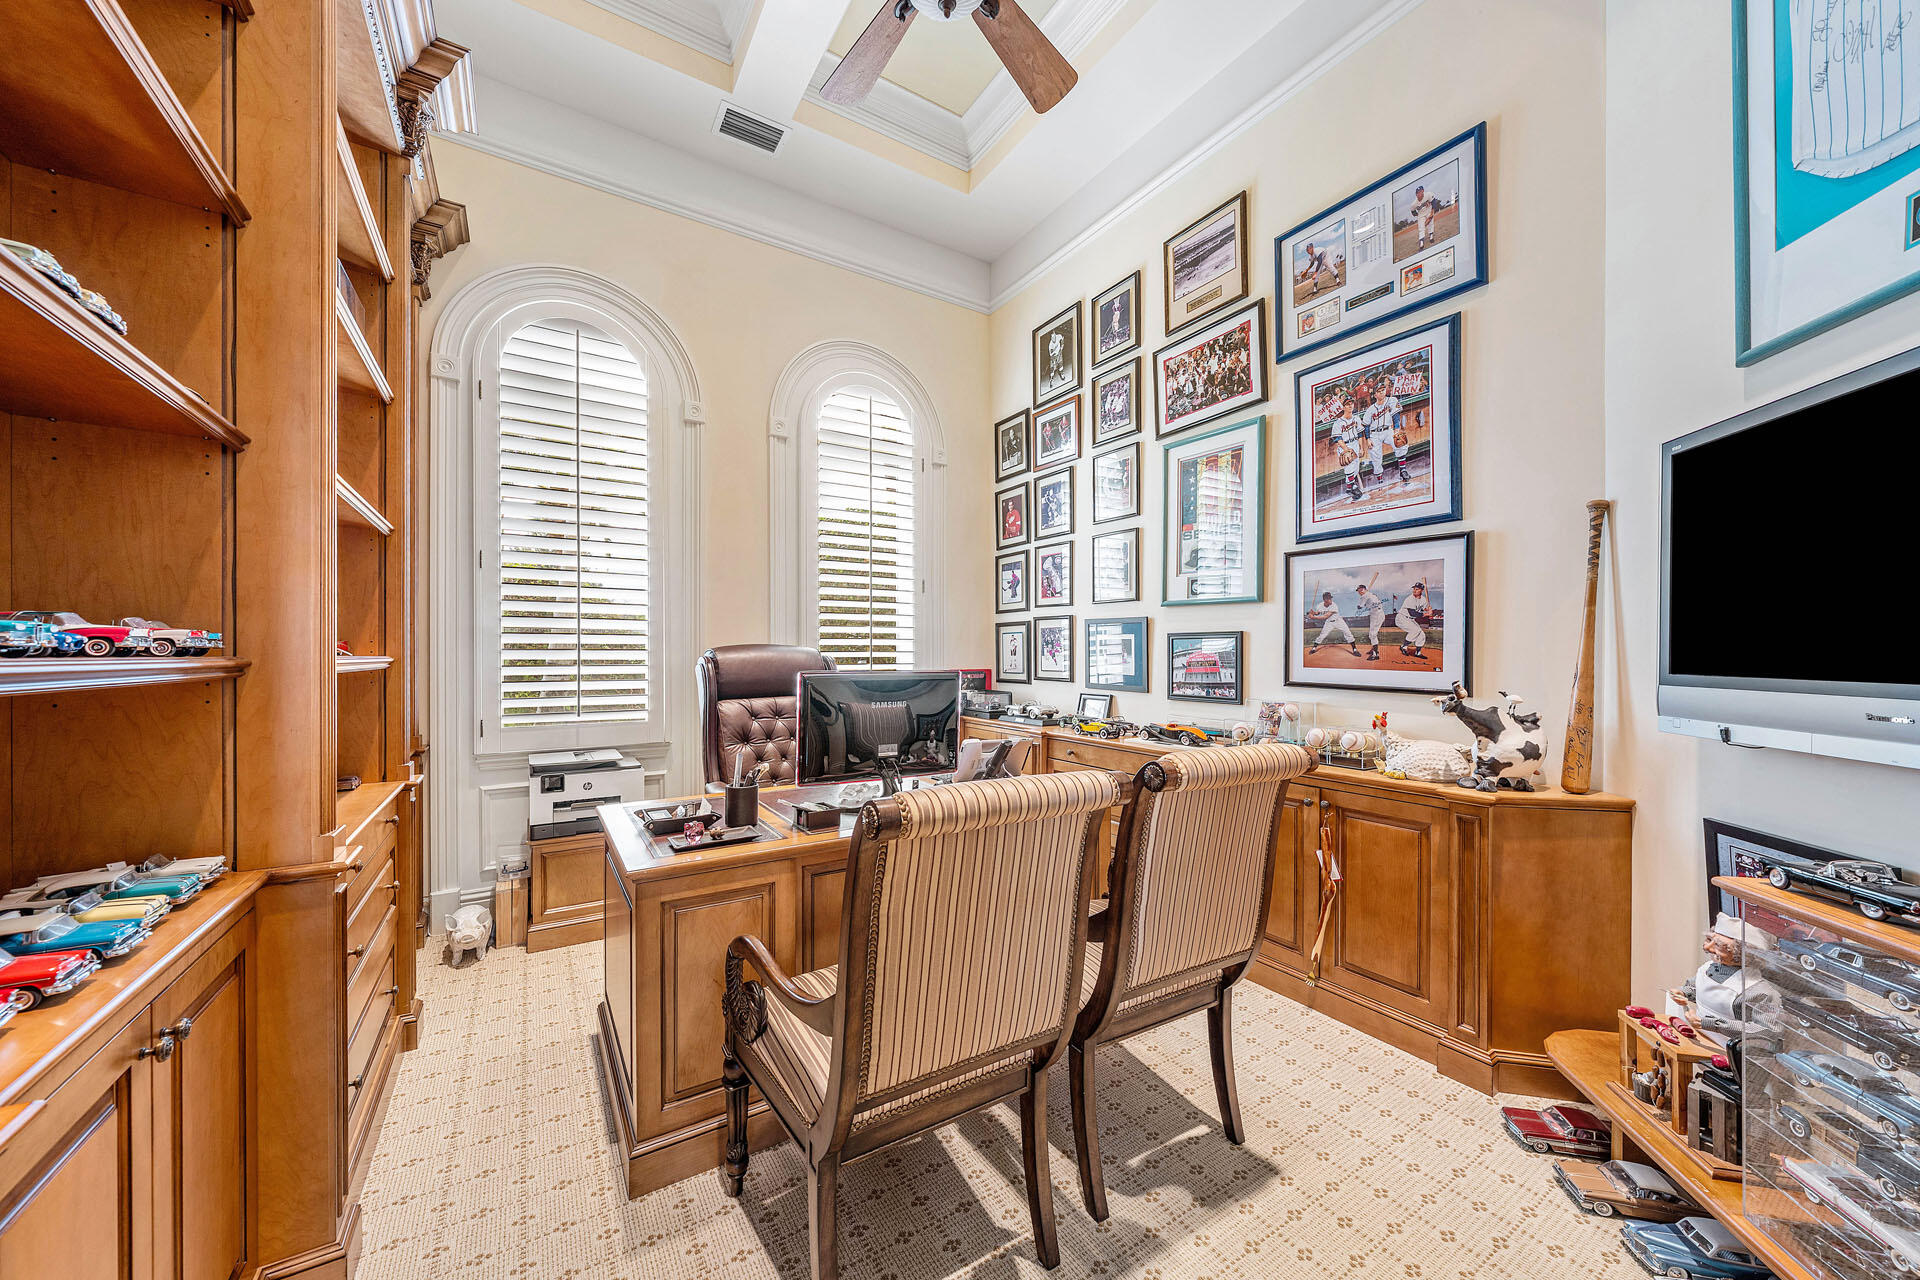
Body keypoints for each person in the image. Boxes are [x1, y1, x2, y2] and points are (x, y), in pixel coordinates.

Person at [1306, 591, 1360, 657]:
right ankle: (1314, 648)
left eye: (1330, 598)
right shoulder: (1319, 606)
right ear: (1324, 599)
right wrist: (1313, 613)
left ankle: (1355, 650)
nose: (1330, 600)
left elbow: (1325, 616)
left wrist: (1313, 617)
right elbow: (1318, 612)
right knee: (1322, 635)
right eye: (1328, 598)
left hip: (1338, 621)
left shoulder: (1334, 606)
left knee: (1348, 633)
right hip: (1329, 622)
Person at [1399, 581, 1433, 659]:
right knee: (1415, 631)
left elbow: (1423, 609)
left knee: (1421, 634)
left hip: (1410, 620)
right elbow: (1413, 613)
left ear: (1421, 590)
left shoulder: (1423, 600)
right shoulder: (1410, 599)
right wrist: (1427, 614)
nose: (1414, 590)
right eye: (1414, 589)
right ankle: (1404, 646)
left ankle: (1418, 652)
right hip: (1402, 618)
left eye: (1417, 589)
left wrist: (1429, 610)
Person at [1355, 581, 1387, 662]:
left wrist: (1359, 605)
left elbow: (1360, 607)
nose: (1359, 592)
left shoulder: (1365, 596)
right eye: (1358, 591)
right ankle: (1374, 649)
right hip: (1376, 614)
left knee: (1372, 634)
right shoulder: (1371, 595)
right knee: (1371, 634)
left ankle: (1375, 654)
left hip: (1377, 615)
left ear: (1364, 589)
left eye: (1361, 590)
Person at [1409, 184, 1441, 250]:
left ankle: (1431, 235)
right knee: (1421, 227)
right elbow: (1413, 212)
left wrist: (1432, 213)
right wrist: (1418, 216)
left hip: (1429, 210)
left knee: (1431, 223)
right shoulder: (1414, 204)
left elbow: (1434, 202)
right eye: (1417, 193)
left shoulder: (1428, 194)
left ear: (1423, 191)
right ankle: (1421, 241)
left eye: (1420, 191)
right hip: (1421, 214)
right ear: (1416, 194)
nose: (1419, 194)